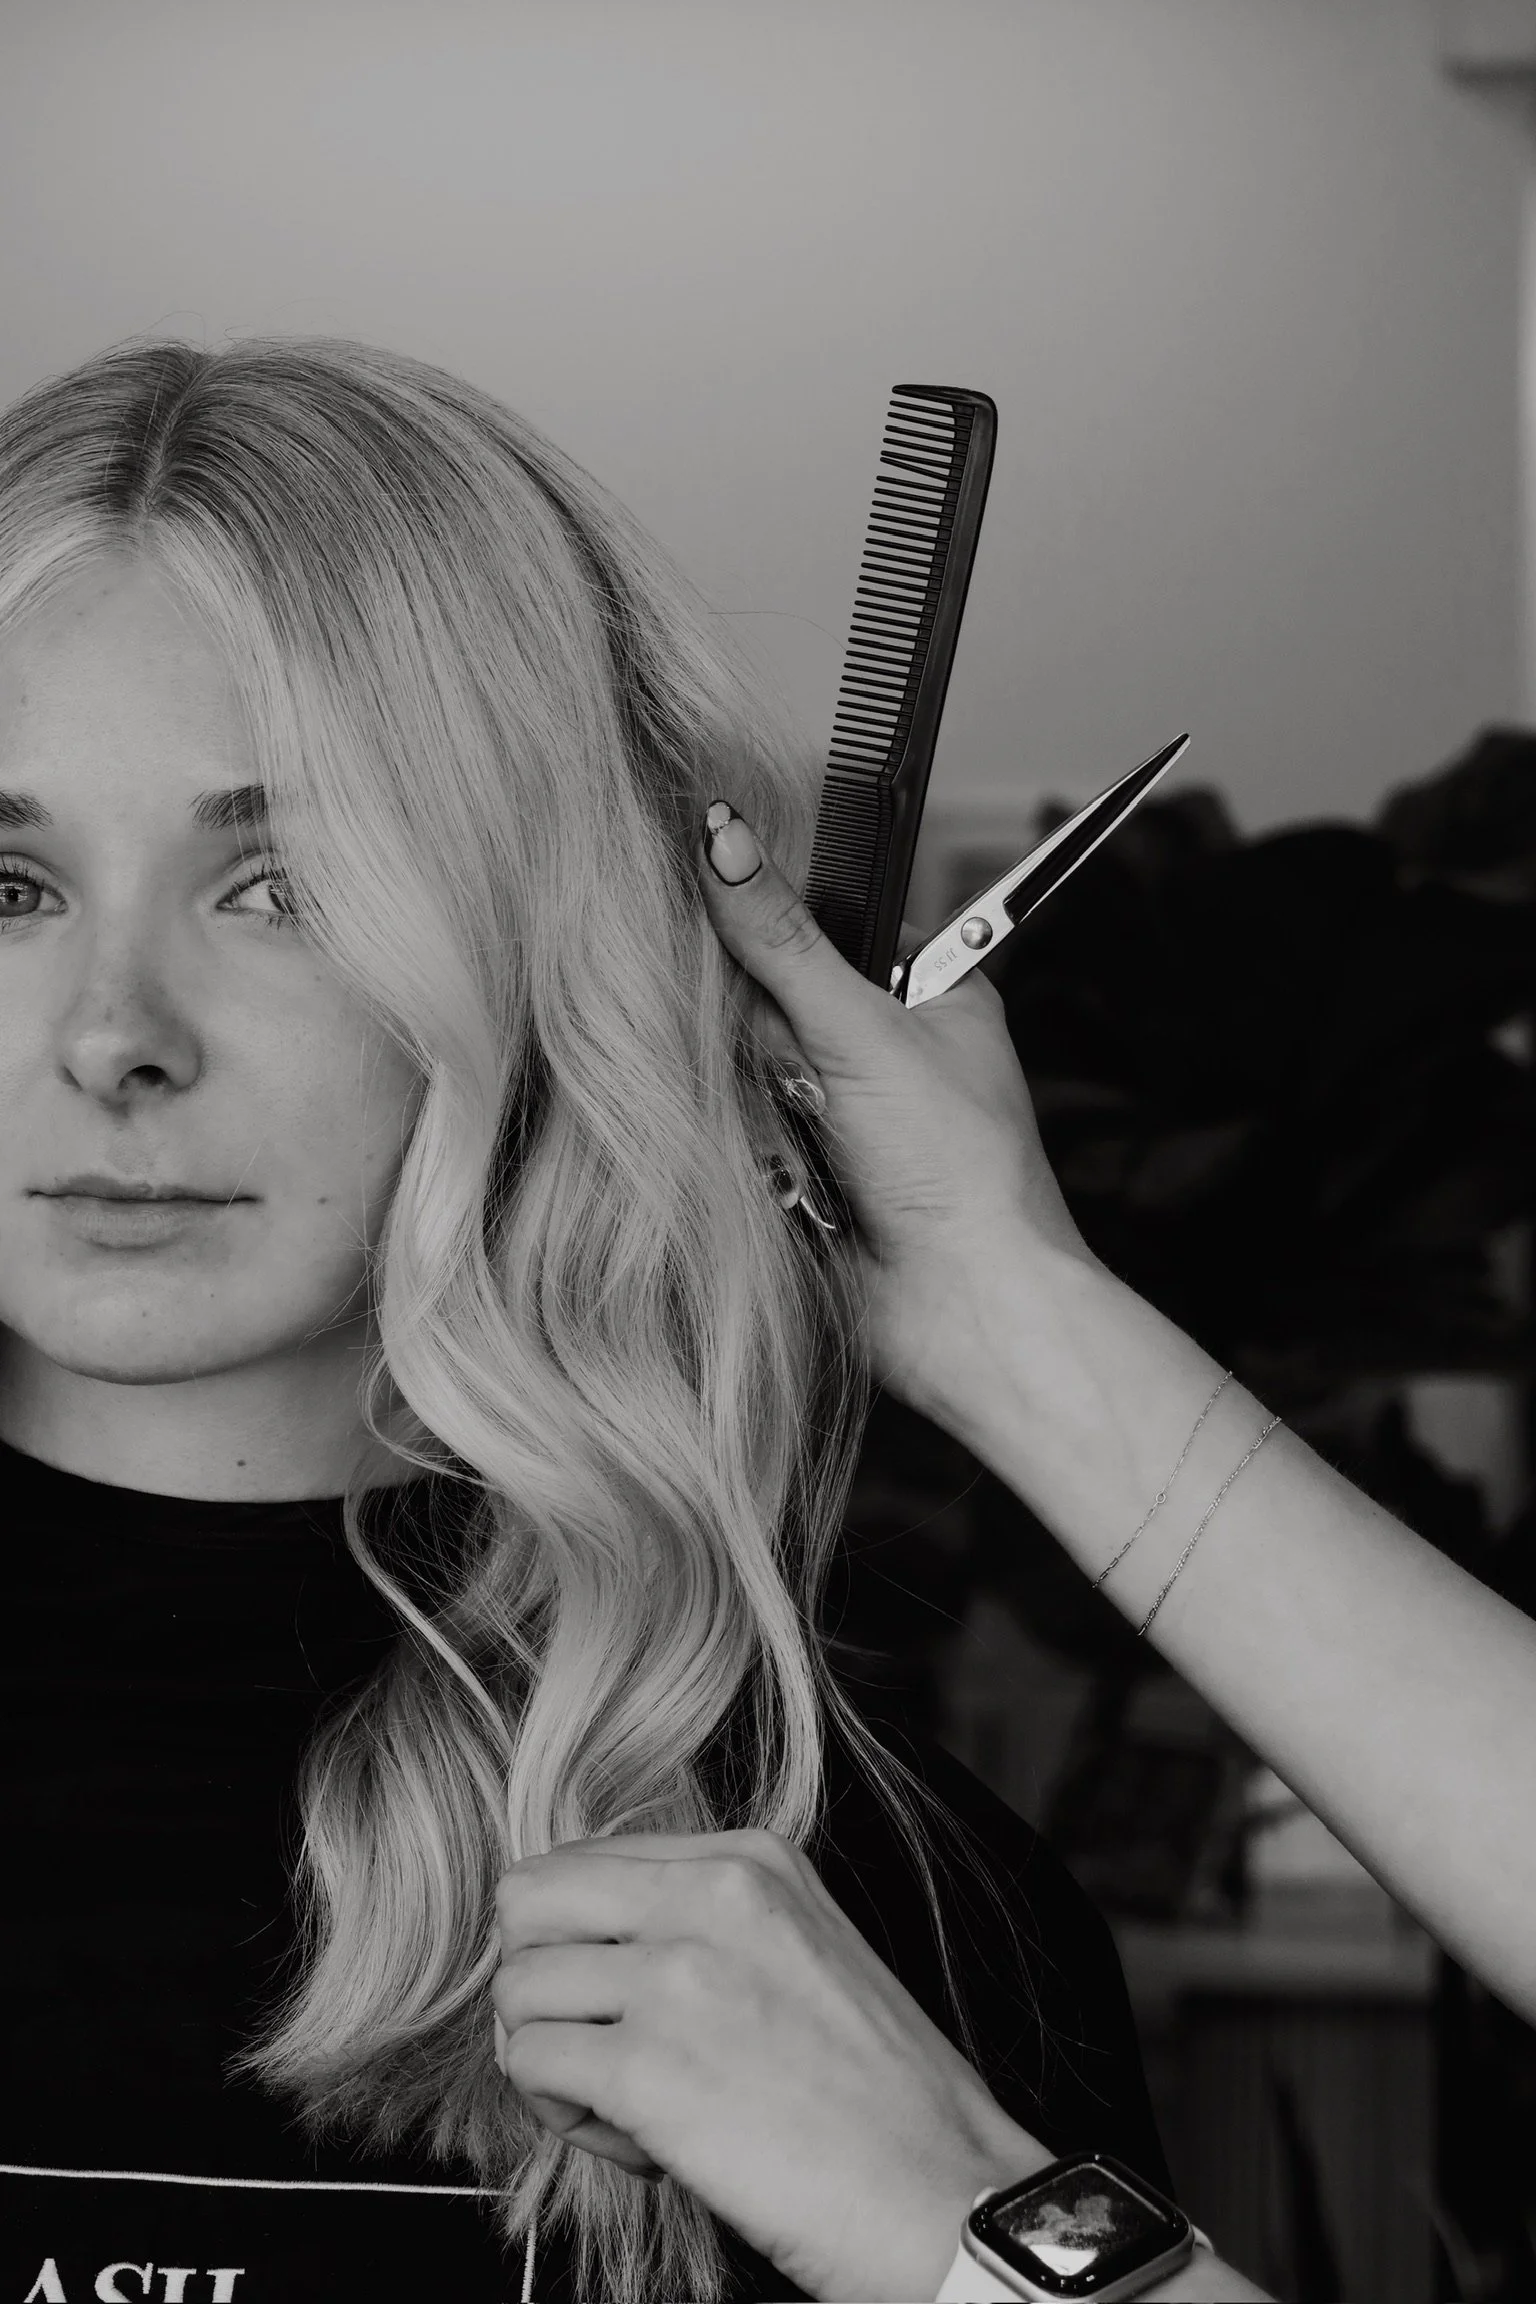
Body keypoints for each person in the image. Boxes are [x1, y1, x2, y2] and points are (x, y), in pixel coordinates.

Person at [0, 335, 1262, 2304]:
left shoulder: (842, 1927)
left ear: (529, 949)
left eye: (286, 886)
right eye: (6, 885)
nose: (111, 1036)